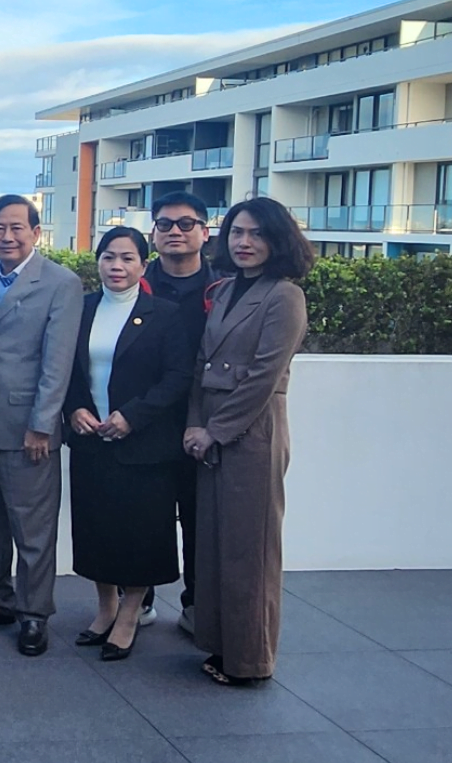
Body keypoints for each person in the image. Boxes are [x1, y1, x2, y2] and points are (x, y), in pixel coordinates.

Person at [186, 197, 311, 687]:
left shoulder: (284, 296)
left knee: (250, 551)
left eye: (257, 233)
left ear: (277, 240)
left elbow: (264, 377)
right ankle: (220, 644)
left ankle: (250, 660)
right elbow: (200, 365)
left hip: (254, 433)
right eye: (237, 232)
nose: (244, 242)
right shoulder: (223, 290)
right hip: (211, 430)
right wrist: (195, 425)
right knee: (215, 546)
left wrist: (214, 430)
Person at [0, 194, 82, 657]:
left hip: (28, 426)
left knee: (32, 528)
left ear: (35, 233)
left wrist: (43, 424)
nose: (6, 237)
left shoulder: (59, 283)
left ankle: (33, 614)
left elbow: (57, 361)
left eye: (16, 228)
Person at [63, 227, 193, 661]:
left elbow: (177, 378)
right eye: (108, 257)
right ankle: (105, 609)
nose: (116, 267)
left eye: (127, 258)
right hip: (91, 440)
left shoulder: (166, 314)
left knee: (140, 534)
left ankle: (131, 614)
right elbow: (65, 370)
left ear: (143, 264)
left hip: (144, 445)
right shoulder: (80, 310)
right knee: (97, 530)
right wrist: (74, 409)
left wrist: (132, 416)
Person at [144, 190, 217, 635]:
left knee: (199, 521)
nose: (175, 231)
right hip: (147, 421)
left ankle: (197, 605)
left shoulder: (226, 288)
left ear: (205, 233)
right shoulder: (133, 281)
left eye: (186, 224)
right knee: (146, 517)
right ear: (153, 234)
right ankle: (141, 599)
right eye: (165, 224)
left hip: (204, 424)